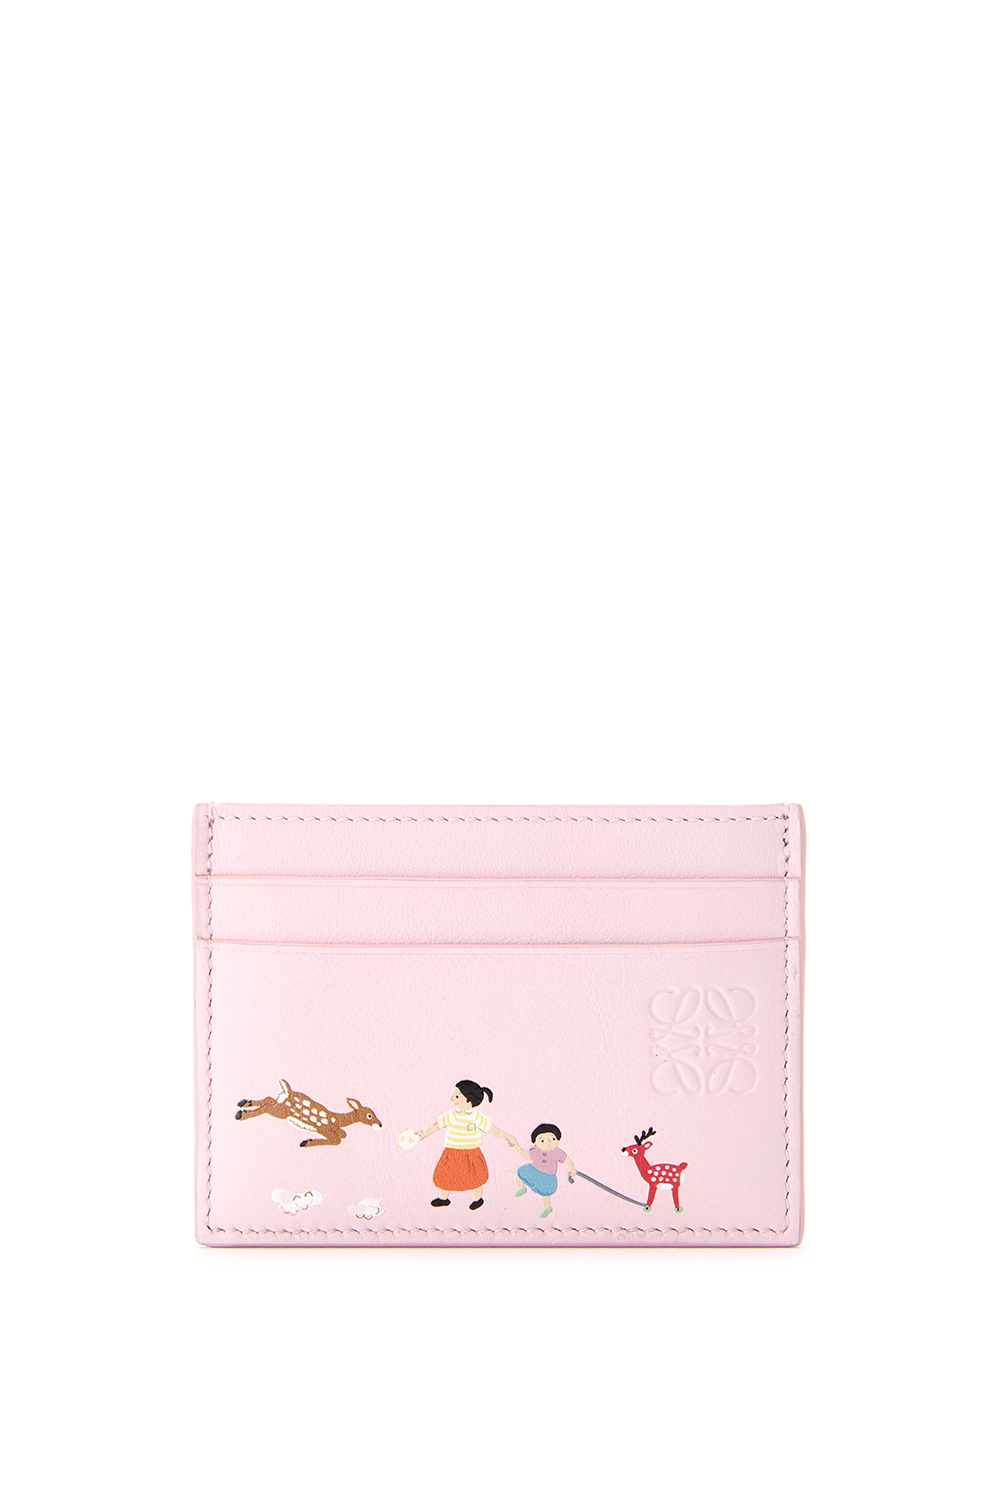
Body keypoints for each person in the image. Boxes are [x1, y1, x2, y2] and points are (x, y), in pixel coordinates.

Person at [413, 1080, 521, 1209]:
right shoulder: (450, 1115)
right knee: (447, 1176)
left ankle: (478, 1199)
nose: (452, 1099)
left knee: (475, 1178)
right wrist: (423, 1133)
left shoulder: (478, 1117)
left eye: (457, 1096)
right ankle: (443, 1198)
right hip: (452, 1152)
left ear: (469, 1101)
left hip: (471, 1153)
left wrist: (508, 1136)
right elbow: (436, 1125)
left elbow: (493, 1130)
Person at [513, 1123, 575, 1218]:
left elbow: (567, 1160)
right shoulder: (536, 1151)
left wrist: (572, 1169)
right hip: (534, 1171)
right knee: (519, 1174)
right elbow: (523, 1154)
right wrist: (515, 1146)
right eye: (542, 1140)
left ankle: (547, 1208)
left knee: (545, 1193)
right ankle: (521, 1188)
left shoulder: (556, 1152)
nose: (548, 1143)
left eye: (553, 1139)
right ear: (535, 1142)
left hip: (548, 1176)